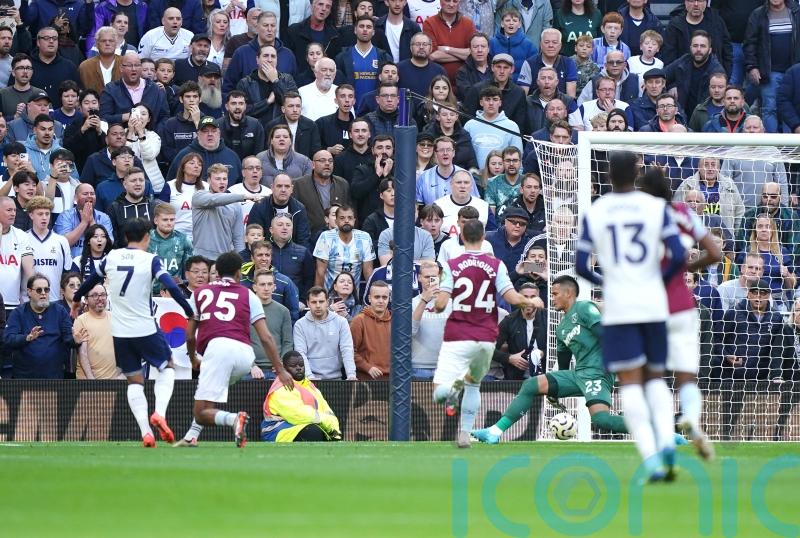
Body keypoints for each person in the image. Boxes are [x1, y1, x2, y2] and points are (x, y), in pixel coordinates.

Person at [576, 150, 686, 482]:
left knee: (630, 384)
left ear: (609, 175)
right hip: (652, 303)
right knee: (655, 378)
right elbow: (679, 254)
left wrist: (607, 282)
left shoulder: (596, 211)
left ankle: (652, 460)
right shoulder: (655, 208)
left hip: (620, 306)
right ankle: (667, 442)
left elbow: (582, 266)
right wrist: (657, 281)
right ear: (636, 174)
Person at [73, 218, 194, 447]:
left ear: (126, 237)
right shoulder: (150, 260)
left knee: (134, 382)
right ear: (147, 237)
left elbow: (91, 281)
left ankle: (146, 432)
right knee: (167, 366)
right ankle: (159, 412)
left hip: (119, 332)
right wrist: (188, 310)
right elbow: (170, 285)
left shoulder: (112, 257)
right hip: (145, 327)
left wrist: (77, 298)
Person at [431, 219, 541, 448]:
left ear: (461, 236)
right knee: (473, 384)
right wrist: (530, 300)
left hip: (458, 333)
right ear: (483, 238)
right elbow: (511, 298)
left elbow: (441, 304)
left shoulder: (451, 265)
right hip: (485, 334)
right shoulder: (496, 265)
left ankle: (452, 390)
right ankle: (465, 433)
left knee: (439, 393)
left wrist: (440, 302)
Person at [638, 166, 722, 460]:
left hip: (650, 307)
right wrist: (687, 268)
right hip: (682, 305)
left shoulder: (636, 219)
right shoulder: (683, 213)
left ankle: (663, 437)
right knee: (687, 376)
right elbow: (715, 252)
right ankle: (692, 421)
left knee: (655, 376)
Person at [179, 251, 290, 448]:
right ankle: (191, 436)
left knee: (201, 412)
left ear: (217, 273)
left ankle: (233, 419)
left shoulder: (200, 293)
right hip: (245, 357)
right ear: (239, 274)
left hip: (218, 351)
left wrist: (193, 358)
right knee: (207, 401)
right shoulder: (249, 294)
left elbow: (189, 335)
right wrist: (280, 369)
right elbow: (266, 337)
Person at [4, 273, 78, 379]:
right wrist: (27, 338)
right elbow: (8, 339)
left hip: (54, 377)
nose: (43, 293)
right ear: (29, 292)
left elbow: (68, 338)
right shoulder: (18, 313)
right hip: (24, 378)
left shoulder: (59, 311)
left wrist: (76, 340)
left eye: (46, 290)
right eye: (39, 290)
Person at [260, 350, 343, 442]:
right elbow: (297, 414)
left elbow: (327, 410)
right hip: (277, 431)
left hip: (306, 425)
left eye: (301, 365)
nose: (298, 368)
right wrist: (326, 422)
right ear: (284, 368)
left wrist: (333, 427)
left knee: (330, 436)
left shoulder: (310, 386)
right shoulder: (281, 386)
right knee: (313, 432)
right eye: (293, 366)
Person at [192, 163, 258, 260]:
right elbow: (214, 200)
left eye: (224, 179)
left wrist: (241, 261)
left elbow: (238, 238)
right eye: (218, 179)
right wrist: (243, 197)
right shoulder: (199, 197)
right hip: (201, 258)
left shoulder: (235, 205)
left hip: (224, 259)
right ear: (209, 181)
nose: (222, 182)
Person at [294, 286, 356, 380]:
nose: (318, 305)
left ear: (327, 302)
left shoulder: (341, 322)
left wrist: (351, 375)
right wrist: (310, 377)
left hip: (336, 378)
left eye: (321, 301)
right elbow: (300, 353)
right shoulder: (300, 325)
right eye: (314, 302)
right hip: (310, 380)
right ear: (308, 303)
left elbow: (346, 349)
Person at [664, 30, 726, 119]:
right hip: (682, 114)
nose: (698, 50)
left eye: (703, 46)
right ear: (690, 48)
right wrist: (671, 86)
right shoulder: (684, 60)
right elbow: (663, 74)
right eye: (695, 46)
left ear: (710, 50)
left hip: (704, 116)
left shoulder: (716, 72)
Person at [674, 156, 745, 233]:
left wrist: (734, 236)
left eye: (713, 165)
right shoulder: (687, 185)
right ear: (699, 167)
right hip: (695, 235)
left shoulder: (729, 185)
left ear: (718, 168)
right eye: (706, 165)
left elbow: (739, 213)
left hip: (723, 239)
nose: (710, 169)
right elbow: (676, 211)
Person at [661, 0, 733, 75]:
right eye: (691, 1)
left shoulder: (716, 22)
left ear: (706, 3)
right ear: (685, 2)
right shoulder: (674, 26)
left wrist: (725, 78)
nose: (696, 4)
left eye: (700, 1)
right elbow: (668, 58)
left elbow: (727, 51)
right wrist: (674, 85)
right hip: (683, 79)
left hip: (713, 80)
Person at [100, 52, 170, 127]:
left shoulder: (155, 89)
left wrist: (155, 133)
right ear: (121, 68)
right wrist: (125, 117)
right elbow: (104, 118)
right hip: (121, 136)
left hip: (151, 136)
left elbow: (164, 117)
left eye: (137, 65)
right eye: (129, 65)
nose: (133, 69)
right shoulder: (111, 89)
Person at [237, 44, 298, 130]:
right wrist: (267, 102)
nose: (269, 60)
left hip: (280, 133)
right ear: (257, 60)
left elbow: (293, 106)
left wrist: (275, 81)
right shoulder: (245, 83)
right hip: (255, 133)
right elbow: (241, 111)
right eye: (265, 56)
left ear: (277, 60)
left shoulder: (287, 80)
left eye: (273, 56)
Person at [313, 204, 374, 288]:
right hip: (329, 296)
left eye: (350, 218)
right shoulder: (326, 237)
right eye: (342, 218)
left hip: (353, 296)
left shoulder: (365, 238)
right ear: (336, 221)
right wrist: (319, 296)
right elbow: (320, 272)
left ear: (354, 220)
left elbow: (368, 271)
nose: (346, 221)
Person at [72, 282, 124, 379]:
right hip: (88, 384)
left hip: (113, 382)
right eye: (95, 295)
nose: (100, 298)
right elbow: (82, 353)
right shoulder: (81, 320)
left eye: (103, 295)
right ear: (86, 300)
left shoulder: (115, 318)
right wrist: (92, 380)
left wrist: (121, 375)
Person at [166, 116, 242, 181]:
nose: (210, 134)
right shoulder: (184, 155)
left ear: (219, 133)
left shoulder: (232, 156)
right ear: (198, 135)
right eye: (205, 131)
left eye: (214, 131)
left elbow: (240, 185)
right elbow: (170, 185)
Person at [463, 85, 523, 168]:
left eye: (495, 99)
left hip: (501, 177)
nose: (491, 103)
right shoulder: (469, 125)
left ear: (500, 103)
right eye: (487, 99)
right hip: (476, 176)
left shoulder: (511, 126)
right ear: (481, 102)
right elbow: (465, 155)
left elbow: (517, 156)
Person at [25, 196, 71, 303]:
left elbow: (67, 273)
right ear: (31, 215)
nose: (44, 217)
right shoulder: (22, 239)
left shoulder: (61, 241)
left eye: (47, 214)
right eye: (40, 214)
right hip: (28, 301)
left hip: (54, 300)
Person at [294, 150, 351, 235]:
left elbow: (349, 211)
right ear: (313, 165)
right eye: (322, 160)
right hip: (309, 237)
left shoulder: (342, 184)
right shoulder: (299, 184)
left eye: (330, 161)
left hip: (338, 236)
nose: (327, 163)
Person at [423, 0, 476, 85]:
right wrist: (463, 55)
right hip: (437, 83)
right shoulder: (429, 23)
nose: (451, 4)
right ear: (440, 2)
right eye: (447, 1)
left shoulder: (468, 24)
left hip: (465, 82)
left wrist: (447, 49)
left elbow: (474, 53)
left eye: (455, 1)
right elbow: (433, 55)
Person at [54, 183, 115, 258]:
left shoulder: (104, 217)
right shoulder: (65, 216)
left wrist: (92, 222)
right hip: (72, 264)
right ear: (75, 198)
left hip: (96, 264)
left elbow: (108, 245)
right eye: (85, 194)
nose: (89, 196)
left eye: (92, 193)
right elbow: (64, 243)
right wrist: (84, 222)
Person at [350, 280, 391, 380]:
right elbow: (349, 352)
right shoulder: (358, 321)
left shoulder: (396, 322)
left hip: (391, 380)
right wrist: (367, 367)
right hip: (366, 379)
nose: (381, 301)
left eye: (384, 297)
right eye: (377, 297)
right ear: (369, 298)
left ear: (389, 299)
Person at [147, 203, 193, 293]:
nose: (169, 223)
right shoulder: (146, 239)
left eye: (172, 220)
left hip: (174, 294)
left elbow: (189, 270)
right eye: (165, 220)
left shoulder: (184, 240)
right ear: (156, 220)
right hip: (149, 294)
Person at [263, 92, 322, 161]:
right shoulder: (272, 126)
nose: (295, 110)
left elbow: (315, 151)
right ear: (283, 109)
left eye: (298, 106)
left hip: (304, 166)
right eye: (291, 106)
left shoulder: (311, 125)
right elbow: (267, 151)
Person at [0, 196, 35, 310]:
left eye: (15, 210)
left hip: (12, 303)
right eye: (9, 210)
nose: (13, 213)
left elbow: (29, 269)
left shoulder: (21, 235)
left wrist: (35, 290)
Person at [108, 167, 158, 247]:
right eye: (133, 181)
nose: (138, 183)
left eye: (141, 180)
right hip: (124, 256)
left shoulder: (153, 206)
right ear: (124, 184)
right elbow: (113, 239)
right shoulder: (115, 208)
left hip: (149, 256)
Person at [455, 32, 491, 102]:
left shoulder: (497, 68)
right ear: (470, 50)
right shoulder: (462, 72)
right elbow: (468, 96)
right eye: (475, 47)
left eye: (483, 46)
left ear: (488, 49)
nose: (479, 50)